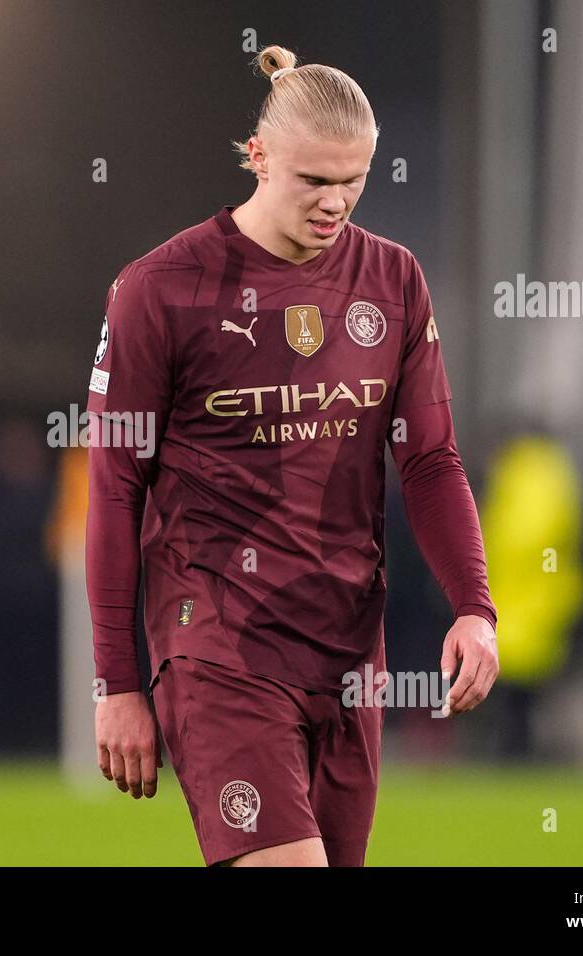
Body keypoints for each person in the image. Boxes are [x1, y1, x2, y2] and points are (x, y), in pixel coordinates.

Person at [85, 45, 499, 867]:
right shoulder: (160, 290)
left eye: (354, 179)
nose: (336, 202)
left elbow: (430, 461)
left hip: (349, 651)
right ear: (258, 157)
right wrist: (118, 682)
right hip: (218, 645)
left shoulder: (394, 281)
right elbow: (114, 487)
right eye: (313, 180)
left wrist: (474, 606)